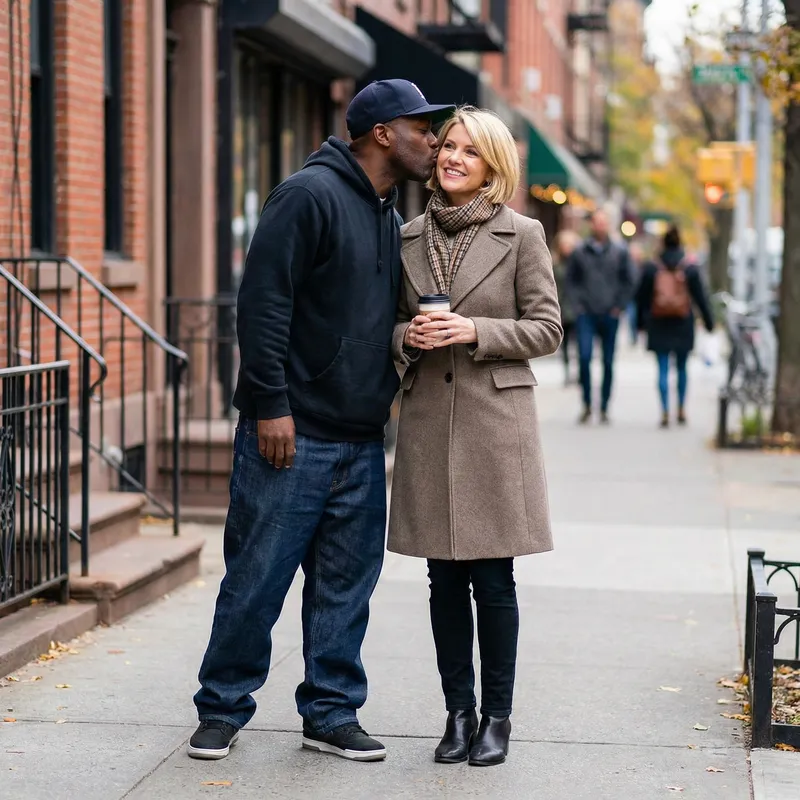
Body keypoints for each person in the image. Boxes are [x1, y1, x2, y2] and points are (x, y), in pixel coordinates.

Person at [188, 80, 453, 763]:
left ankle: (331, 712)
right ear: (382, 133)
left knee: (344, 589)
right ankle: (221, 708)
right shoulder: (308, 196)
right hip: (293, 432)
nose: (433, 138)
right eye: (421, 126)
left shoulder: (386, 213)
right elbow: (263, 303)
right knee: (256, 581)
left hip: (361, 438)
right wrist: (270, 403)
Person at [389, 107, 562, 767]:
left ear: (493, 165)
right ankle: (456, 715)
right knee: (441, 579)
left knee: (493, 579)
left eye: (469, 150)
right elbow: (394, 323)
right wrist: (406, 336)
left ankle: (498, 717)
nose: (453, 157)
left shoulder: (522, 235)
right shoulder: (406, 236)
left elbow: (547, 328)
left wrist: (476, 332)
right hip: (430, 419)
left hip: (495, 424)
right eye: (448, 147)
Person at [635, 225, 714, 427]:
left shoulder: (652, 267)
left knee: (661, 368)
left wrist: (640, 324)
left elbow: (641, 297)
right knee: (682, 367)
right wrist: (708, 321)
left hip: (658, 321)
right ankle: (681, 408)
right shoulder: (690, 268)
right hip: (683, 321)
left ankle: (664, 410)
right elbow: (700, 297)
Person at [566, 210, 634, 424]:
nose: (600, 226)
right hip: (586, 314)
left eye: (604, 223)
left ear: (609, 225)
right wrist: (578, 305)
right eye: (597, 223)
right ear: (592, 225)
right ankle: (586, 404)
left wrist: (619, 306)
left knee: (607, 361)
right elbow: (571, 281)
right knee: (584, 358)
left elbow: (629, 280)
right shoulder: (579, 252)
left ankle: (604, 406)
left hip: (609, 313)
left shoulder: (620, 252)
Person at [552, 229, 581, 385]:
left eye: (569, 244)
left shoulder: (579, 263)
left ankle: (579, 372)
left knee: (579, 344)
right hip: (561, 308)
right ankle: (568, 372)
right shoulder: (554, 264)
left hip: (577, 308)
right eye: (564, 244)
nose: (566, 248)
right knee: (565, 344)